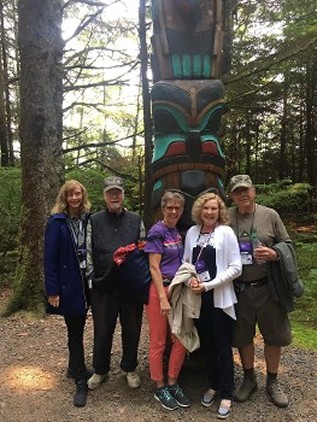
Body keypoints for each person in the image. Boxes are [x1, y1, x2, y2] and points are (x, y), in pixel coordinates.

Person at [227, 174, 292, 408]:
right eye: (237, 191)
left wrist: (275, 253)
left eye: (246, 190)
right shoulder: (226, 217)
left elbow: (288, 244)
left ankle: (272, 382)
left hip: (268, 288)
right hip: (239, 290)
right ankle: (248, 379)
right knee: (243, 337)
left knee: (274, 336)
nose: (243, 194)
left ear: (254, 191)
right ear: (232, 196)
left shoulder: (270, 215)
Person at [183, 191, 242, 419]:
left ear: (220, 212)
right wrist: (191, 280)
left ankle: (227, 393)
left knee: (222, 346)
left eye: (214, 209)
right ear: (199, 210)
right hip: (198, 299)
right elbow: (186, 263)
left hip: (220, 299)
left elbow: (236, 267)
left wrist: (209, 285)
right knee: (206, 345)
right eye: (206, 208)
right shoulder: (192, 232)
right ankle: (213, 384)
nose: (209, 212)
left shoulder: (225, 233)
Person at [86, 176, 145, 391]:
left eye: (117, 192)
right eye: (110, 192)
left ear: (122, 194)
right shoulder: (94, 220)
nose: (114, 196)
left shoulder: (136, 219)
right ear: (104, 195)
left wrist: (141, 281)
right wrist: (92, 277)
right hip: (104, 285)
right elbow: (88, 249)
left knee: (132, 329)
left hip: (130, 287)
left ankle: (129, 367)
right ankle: (100, 370)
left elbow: (142, 248)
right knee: (102, 330)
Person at [44, 180, 91, 407]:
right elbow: (49, 259)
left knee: (80, 326)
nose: (75, 198)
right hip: (69, 283)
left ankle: (75, 366)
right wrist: (52, 290)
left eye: (78, 194)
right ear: (64, 197)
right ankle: (80, 378)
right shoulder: (56, 222)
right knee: (75, 330)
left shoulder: (88, 218)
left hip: (88, 281)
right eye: (71, 195)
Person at [144, 190, 191, 411]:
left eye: (177, 208)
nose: (173, 211)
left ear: (182, 210)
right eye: (169, 207)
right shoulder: (157, 231)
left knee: (180, 338)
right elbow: (153, 266)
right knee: (159, 341)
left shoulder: (176, 233)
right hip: (159, 291)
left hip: (177, 289)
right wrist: (162, 298)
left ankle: (173, 381)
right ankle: (159, 385)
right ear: (162, 209)